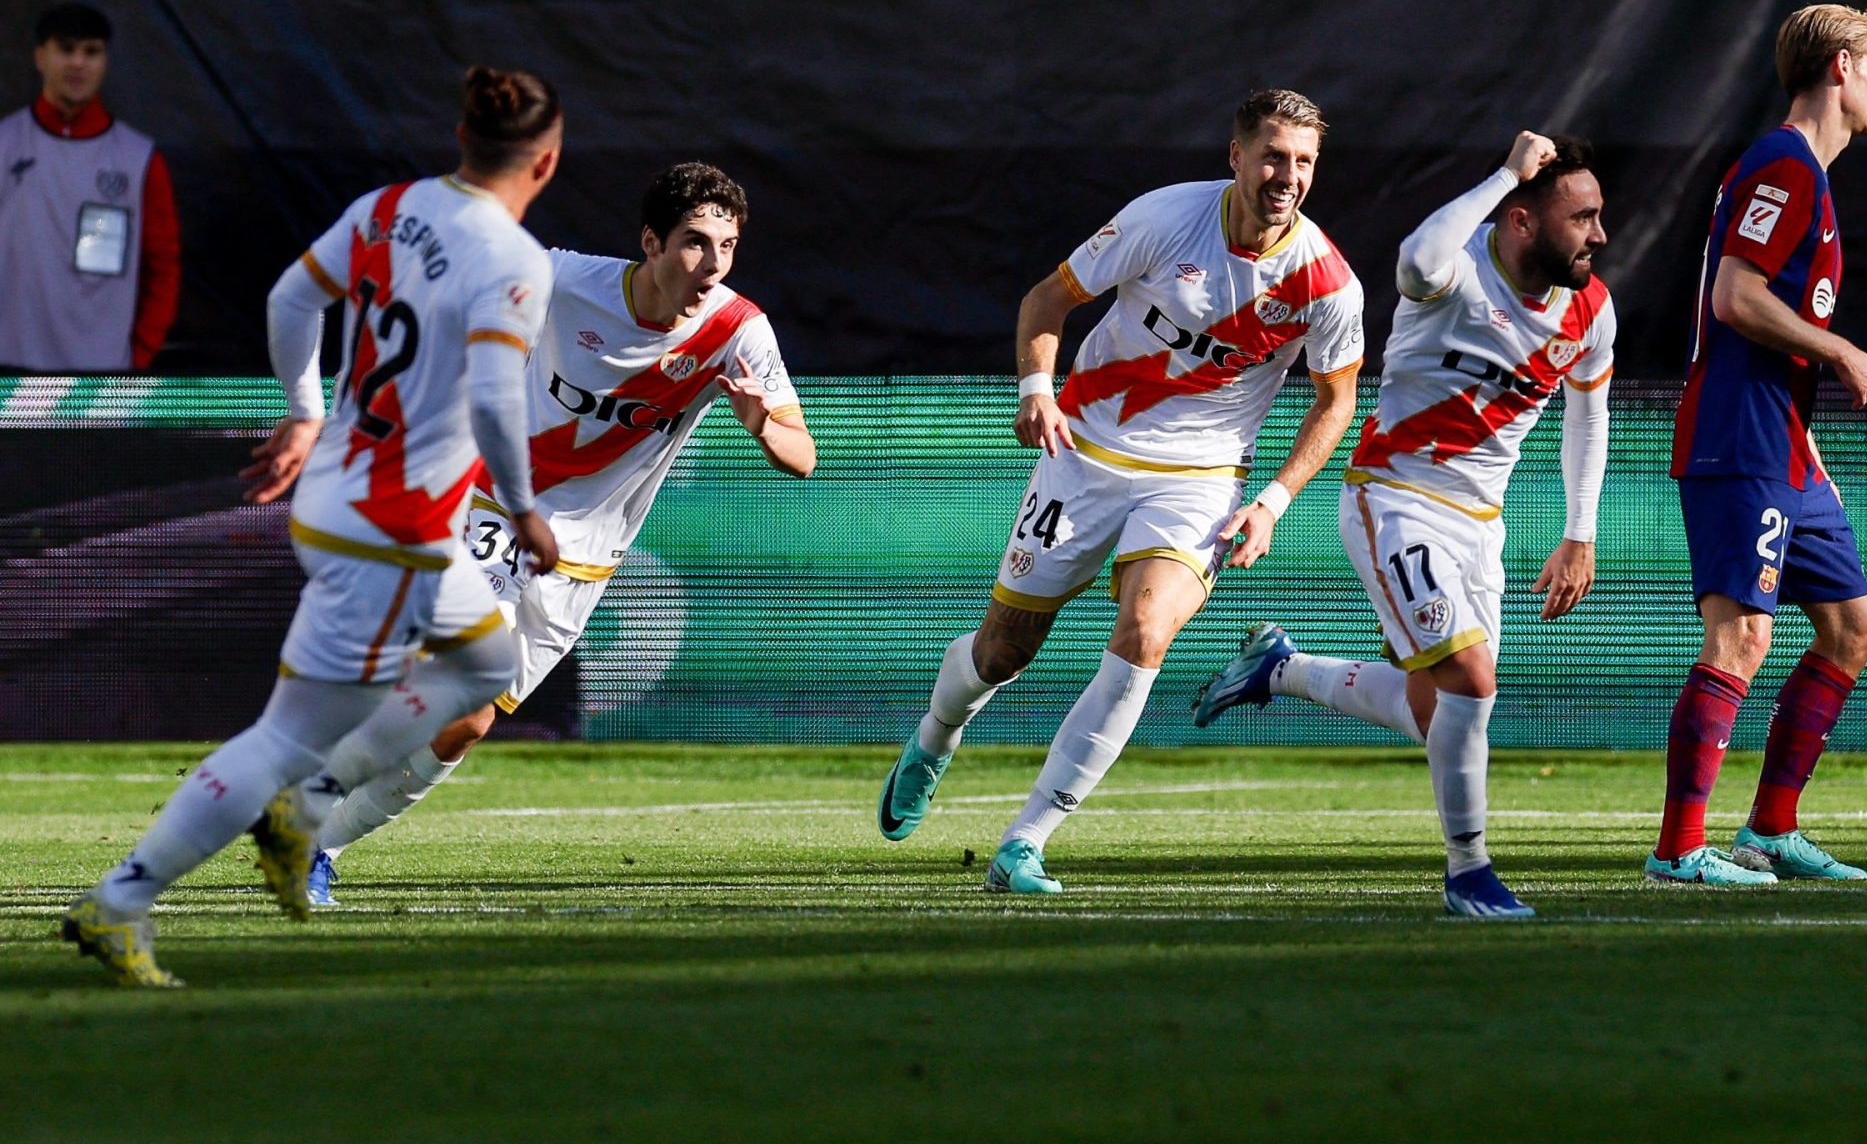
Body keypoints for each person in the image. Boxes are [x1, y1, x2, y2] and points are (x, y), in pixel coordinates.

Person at [59, 66, 564, 986]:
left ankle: (309, 809)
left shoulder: (386, 207)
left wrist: (302, 410)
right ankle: (121, 901)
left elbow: (291, 299)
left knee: (487, 667)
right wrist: (525, 508)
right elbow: (495, 397)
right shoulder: (514, 259)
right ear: (548, 159)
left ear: (461, 136)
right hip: (392, 528)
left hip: (343, 492)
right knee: (285, 739)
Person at [875, 89, 1365, 894]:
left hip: (1203, 475)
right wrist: (1037, 388)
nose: (1288, 176)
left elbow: (1336, 398)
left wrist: (1271, 502)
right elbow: (1048, 299)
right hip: (1085, 451)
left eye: (1304, 162)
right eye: (1273, 156)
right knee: (1003, 652)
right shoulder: (1164, 219)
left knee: (1146, 629)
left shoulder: (1326, 284)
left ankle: (1026, 841)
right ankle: (935, 739)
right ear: (1235, 156)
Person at [303, 162, 817, 901]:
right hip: (492, 507)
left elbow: (804, 455)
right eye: (695, 243)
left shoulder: (740, 330)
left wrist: (763, 425)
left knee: (466, 727)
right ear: (651, 241)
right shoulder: (563, 281)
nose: (712, 265)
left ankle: (320, 840)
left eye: (727, 246)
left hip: (584, 557)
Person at [1189, 131, 1614, 919]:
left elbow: (1589, 417)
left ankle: (1279, 669)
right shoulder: (1456, 267)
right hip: (1393, 496)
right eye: (1582, 216)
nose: (1599, 233)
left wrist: (1579, 531)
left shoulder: (1592, 308)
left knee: (1437, 712)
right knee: (1470, 679)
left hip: (1480, 525)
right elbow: (1416, 258)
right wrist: (1504, 175)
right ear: (1521, 220)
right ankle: (1469, 872)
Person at [1648, 4, 1867, 890]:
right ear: (1837, 68)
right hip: (1737, 437)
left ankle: (1771, 832)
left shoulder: (1807, 175)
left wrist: (1809, 430)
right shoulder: (1784, 165)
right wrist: (1839, 349)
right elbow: (1735, 298)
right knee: (1741, 635)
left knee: (1851, 629)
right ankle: (1678, 849)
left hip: (1784, 442)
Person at [0, 1, 180, 370]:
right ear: (40, 57)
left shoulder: (139, 158)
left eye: (91, 51)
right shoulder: (4, 144)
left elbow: (163, 266)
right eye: (66, 49)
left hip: (100, 381)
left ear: (105, 61)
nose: (78, 63)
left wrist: (138, 354)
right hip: (10, 372)